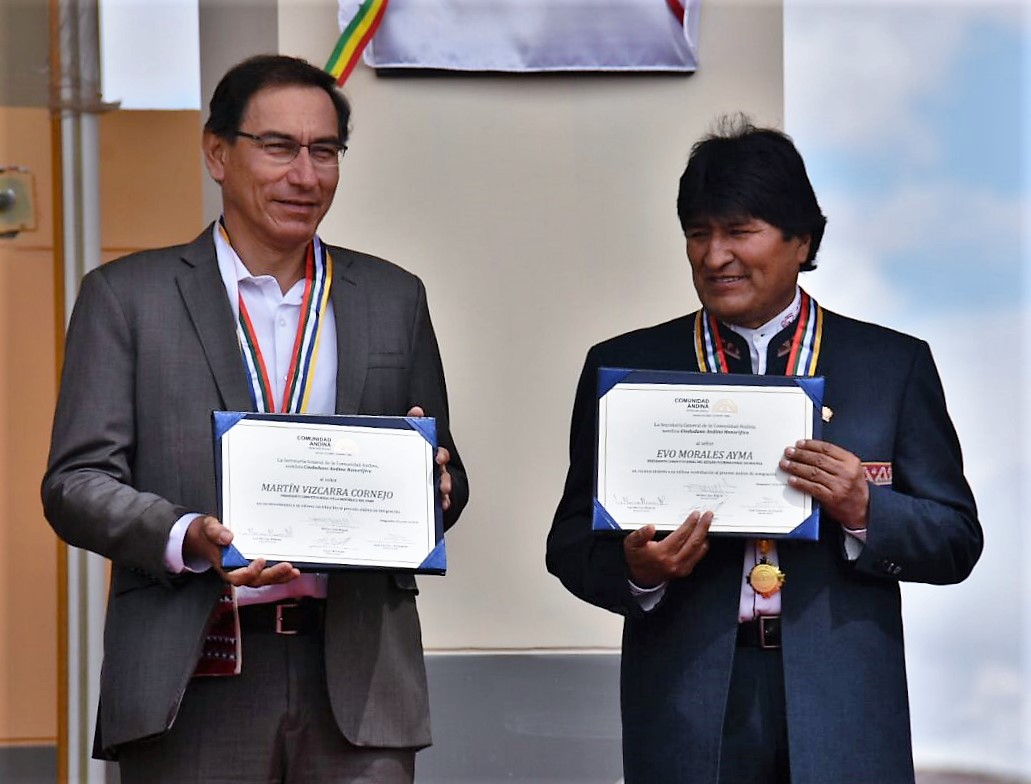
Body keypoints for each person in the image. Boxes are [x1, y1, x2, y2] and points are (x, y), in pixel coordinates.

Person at [42, 54, 468, 783]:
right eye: (278, 147)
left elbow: (444, 472)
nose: (305, 175)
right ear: (217, 153)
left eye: (324, 151)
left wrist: (436, 488)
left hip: (358, 679)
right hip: (196, 671)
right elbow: (76, 483)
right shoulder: (128, 297)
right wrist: (186, 534)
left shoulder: (392, 297)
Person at [546, 119, 981, 784]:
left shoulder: (890, 366)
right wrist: (638, 570)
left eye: (738, 231)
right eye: (698, 233)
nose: (713, 255)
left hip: (844, 704)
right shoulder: (629, 369)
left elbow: (956, 541)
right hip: (686, 705)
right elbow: (571, 543)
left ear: (801, 240)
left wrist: (866, 509)